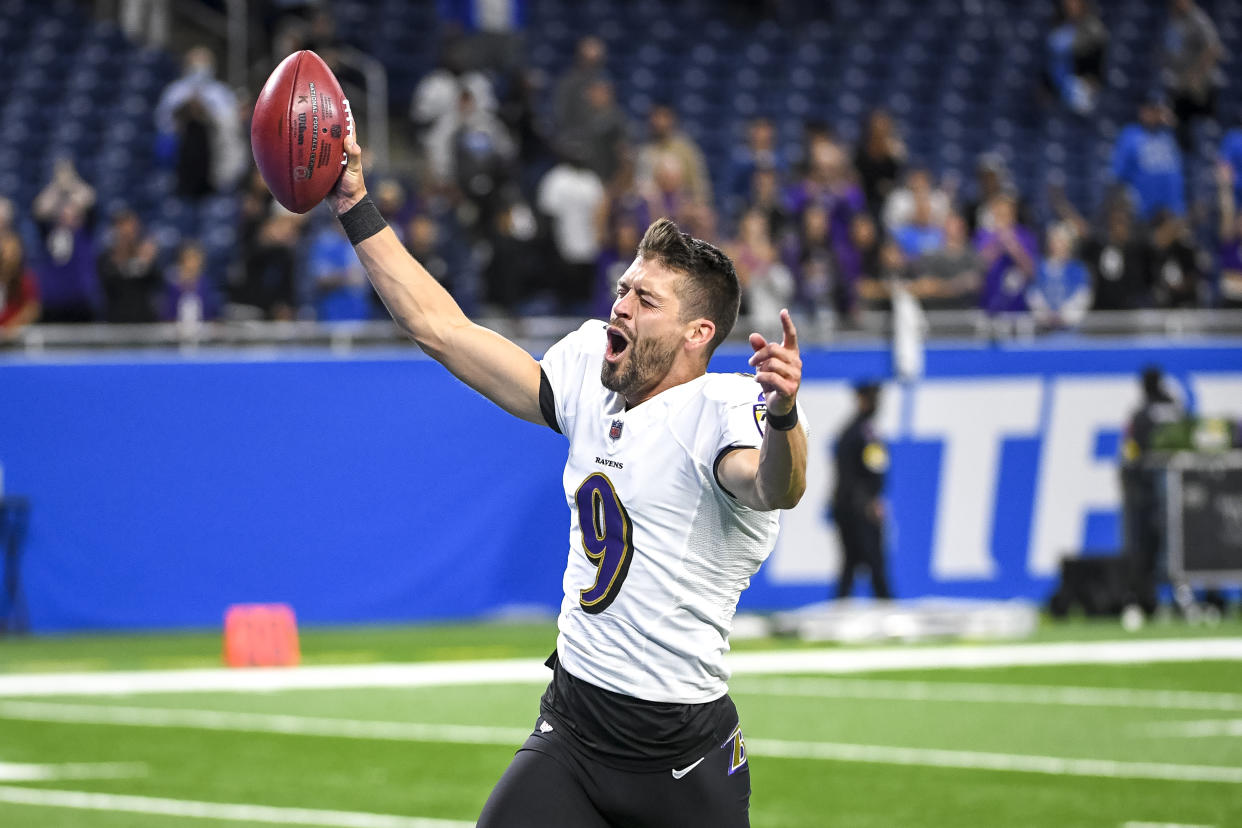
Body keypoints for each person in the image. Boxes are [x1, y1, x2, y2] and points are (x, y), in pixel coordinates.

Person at [328, 115, 807, 828]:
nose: (621, 304)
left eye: (647, 300)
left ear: (697, 334)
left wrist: (788, 415)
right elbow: (443, 330)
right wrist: (355, 205)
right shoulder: (590, 368)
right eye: (624, 289)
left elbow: (776, 485)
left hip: (681, 757)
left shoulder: (726, 406)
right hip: (574, 729)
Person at [1120, 366, 1182, 616]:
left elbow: (1132, 448)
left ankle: (1146, 599)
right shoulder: (1175, 409)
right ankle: (1182, 596)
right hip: (1178, 488)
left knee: (1145, 546)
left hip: (1146, 491)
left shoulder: (1142, 413)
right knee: (1180, 544)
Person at [831, 381, 891, 600]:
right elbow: (868, 471)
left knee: (850, 563)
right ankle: (886, 608)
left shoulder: (852, 430)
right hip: (859, 507)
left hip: (848, 505)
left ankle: (840, 607)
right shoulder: (863, 432)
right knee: (874, 560)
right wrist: (870, 501)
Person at [1161, 0, 1223, 153]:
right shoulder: (1174, 19)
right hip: (1180, 86)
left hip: (1200, 88)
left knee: (1201, 132)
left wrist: (1196, 75)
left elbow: (1213, 49)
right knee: (1179, 131)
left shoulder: (1198, 19)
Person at [1112, 97, 1186, 221]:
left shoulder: (1170, 135)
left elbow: (1191, 146)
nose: (1154, 114)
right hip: (1142, 214)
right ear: (1142, 110)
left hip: (1172, 213)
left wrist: (1175, 124)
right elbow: (1118, 176)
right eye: (1150, 109)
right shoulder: (1130, 134)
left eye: (1157, 110)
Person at [1027, 222, 1092, 329]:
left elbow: (1082, 297)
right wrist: (1046, 315)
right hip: (1043, 329)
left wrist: (1064, 316)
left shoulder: (1078, 270)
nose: (1058, 245)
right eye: (1055, 241)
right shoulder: (1039, 268)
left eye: (1062, 241)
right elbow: (1033, 295)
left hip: (1071, 329)